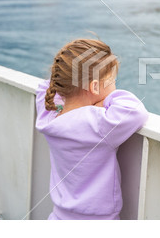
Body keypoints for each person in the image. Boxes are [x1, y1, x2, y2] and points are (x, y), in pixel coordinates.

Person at [35, 38, 148, 220]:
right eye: (113, 81)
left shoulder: (48, 115)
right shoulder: (97, 123)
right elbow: (135, 110)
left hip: (58, 217)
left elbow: (44, 87)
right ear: (94, 86)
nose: (114, 86)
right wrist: (106, 101)